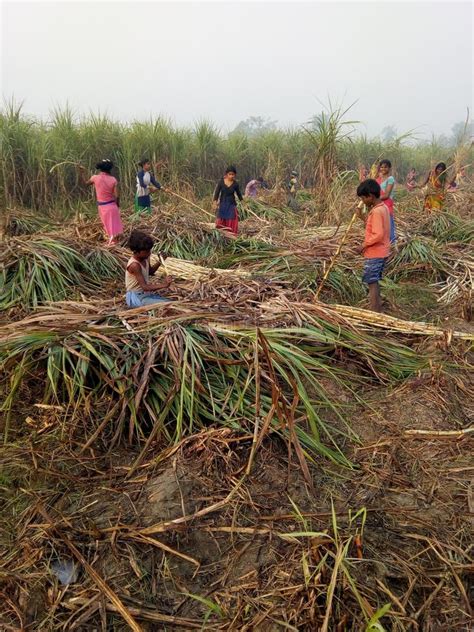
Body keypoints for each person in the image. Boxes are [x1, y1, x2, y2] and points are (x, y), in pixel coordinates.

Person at [356, 179, 391, 313]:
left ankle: (375, 312)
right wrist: (362, 217)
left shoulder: (376, 212)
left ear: (370, 196)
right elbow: (376, 227)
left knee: (372, 282)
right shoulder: (382, 208)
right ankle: (377, 309)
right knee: (374, 281)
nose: (363, 201)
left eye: (363, 198)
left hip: (375, 253)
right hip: (382, 252)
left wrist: (363, 245)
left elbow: (378, 234)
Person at [125, 231, 172, 307]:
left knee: (170, 303)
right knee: (168, 305)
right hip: (136, 297)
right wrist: (164, 285)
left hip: (146, 294)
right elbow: (145, 287)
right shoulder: (134, 265)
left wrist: (160, 261)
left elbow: (150, 271)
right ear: (136, 252)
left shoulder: (145, 257)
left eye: (149, 250)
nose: (149, 253)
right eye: (147, 251)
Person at [85, 159, 123, 246]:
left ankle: (112, 246)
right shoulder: (113, 180)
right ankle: (115, 244)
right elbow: (117, 196)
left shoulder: (95, 178)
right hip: (112, 206)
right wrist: (117, 206)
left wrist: (82, 172)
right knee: (114, 228)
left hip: (103, 207)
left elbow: (86, 183)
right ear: (110, 169)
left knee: (107, 227)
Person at [213, 166, 243, 236]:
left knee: (231, 219)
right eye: (230, 174)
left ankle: (231, 235)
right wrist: (215, 203)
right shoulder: (221, 182)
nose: (231, 176)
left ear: (235, 175)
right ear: (226, 174)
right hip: (223, 203)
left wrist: (244, 203)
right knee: (221, 219)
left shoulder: (235, 184)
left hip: (231, 204)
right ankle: (221, 234)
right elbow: (217, 193)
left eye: (233, 174)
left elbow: (239, 195)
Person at [376, 159, 396, 243]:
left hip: (386, 205)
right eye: (382, 167)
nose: (383, 169)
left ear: (389, 168)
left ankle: (393, 245)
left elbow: (387, 195)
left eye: (386, 167)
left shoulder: (390, 179)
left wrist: (374, 200)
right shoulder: (378, 179)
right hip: (378, 206)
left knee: (389, 227)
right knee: (380, 226)